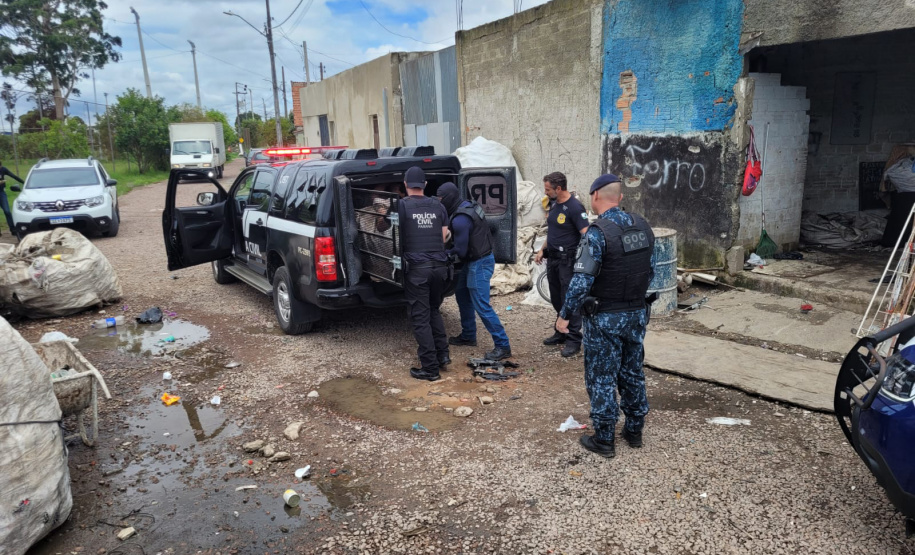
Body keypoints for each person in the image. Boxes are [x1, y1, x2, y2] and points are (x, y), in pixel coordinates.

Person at [555, 174, 655, 458]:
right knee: (632, 372)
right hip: (636, 313)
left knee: (601, 376)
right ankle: (634, 431)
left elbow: (580, 281)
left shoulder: (598, 233)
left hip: (604, 317)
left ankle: (604, 438)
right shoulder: (643, 227)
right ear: (620, 197)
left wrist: (564, 315)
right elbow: (652, 271)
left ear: (595, 195)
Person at [437, 182, 512, 361]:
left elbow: (461, 251)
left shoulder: (460, 219)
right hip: (474, 261)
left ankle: (503, 345)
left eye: (441, 199)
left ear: (449, 198)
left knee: (482, 305)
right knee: (462, 295)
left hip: (479, 263)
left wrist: (444, 254)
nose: (440, 203)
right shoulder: (467, 206)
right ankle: (468, 335)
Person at [398, 166, 451, 382]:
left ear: (405, 184)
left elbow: (393, 233)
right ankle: (443, 356)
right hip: (440, 268)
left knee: (420, 318)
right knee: (433, 311)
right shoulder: (437, 205)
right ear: (425, 185)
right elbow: (445, 235)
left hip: (418, 271)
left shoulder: (401, 206)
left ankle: (429, 369)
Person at [535, 171, 589, 357]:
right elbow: (553, 232)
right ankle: (561, 332)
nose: (546, 192)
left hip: (568, 260)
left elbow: (586, 233)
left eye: (548, 189)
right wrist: (542, 249)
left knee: (570, 300)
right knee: (557, 298)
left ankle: (574, 339)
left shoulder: (574, 207)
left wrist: (583, 260)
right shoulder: (554, 205)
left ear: (559, 188)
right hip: (554, 259)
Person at [0, 161, 23, 238]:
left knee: (7, 211)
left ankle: (13, 230)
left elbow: (13, 176)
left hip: (1, 193)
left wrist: (24, 182)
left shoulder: (3, 169)